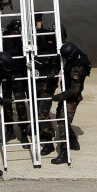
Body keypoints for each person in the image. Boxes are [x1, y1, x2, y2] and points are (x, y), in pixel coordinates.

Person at [51, 41, 91, 164]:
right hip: (67, 94)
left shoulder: (77, 68)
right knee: (60, 116)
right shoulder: (78, 55)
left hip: (71, 98)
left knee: (63, 123)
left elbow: (74, 90)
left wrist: (59, 97)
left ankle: (64, 153)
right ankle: (73, 141)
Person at [34, 14, 61, 156]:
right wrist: (38, 21)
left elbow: (56, 69)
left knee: (43, 113)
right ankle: (43, 136)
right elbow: (39, 34)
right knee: (37, 111)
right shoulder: (45, 44)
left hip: (47, 86)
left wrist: (52, 74)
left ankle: (48, 141)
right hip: (39, 81)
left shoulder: (57, 51)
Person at [2, 19, 30, 147]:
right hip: (7, 76)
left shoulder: (22, 39)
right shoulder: (4, 38)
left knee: (20, 104)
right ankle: (10, 130)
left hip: (18, 75)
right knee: (7, 103)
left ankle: (24, 132)